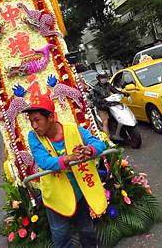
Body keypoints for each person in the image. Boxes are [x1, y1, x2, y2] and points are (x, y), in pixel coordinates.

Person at [24, 95, 107, 248]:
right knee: (60, 235)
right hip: (56, 197)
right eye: (31, 121)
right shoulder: (33, 137)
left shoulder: (73, 129)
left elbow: (100, 144)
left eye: (37, 120)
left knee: (87, 230)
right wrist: (69, 158)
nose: (34, 126)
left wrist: (90, 149)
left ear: (50, 117)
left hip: (79, 191)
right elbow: (44, 161)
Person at [91, 70, 119, 137]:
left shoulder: (108, 85)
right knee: (105, 122)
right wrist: (100, 101)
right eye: (102, 77)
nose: (104, 78)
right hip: (102, 106)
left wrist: (124, 94)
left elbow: (115, 90)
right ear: (98, 79)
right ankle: (108, 139)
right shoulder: (96, 88)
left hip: (111, 104)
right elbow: (95, 99)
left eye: (105, 77)